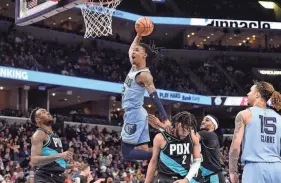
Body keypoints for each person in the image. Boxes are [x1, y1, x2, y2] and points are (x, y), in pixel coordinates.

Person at [121, 33, 170, 161]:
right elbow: (131, 48)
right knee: (143, 149)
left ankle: (163, 156)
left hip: (134, 115)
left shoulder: (144, 75)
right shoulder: (133, 67)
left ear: (144, 55)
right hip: (139, 113)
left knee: (127, 153)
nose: (133, 52)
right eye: (134, 51)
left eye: (137, 51)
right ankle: (166, 157)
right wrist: (138, 35)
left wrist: (165, 118)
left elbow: (154, 96)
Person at [229, 81, 281, 183]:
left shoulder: (245, 114)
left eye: (250, 91)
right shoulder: (279, 118)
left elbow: (235, 146)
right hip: (277, 168)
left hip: (255, 168)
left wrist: (232, 171)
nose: (248, 94)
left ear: (257, 94)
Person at [145, 111, 201, 183]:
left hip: (183, 178)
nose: (185, 132)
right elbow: (153, 161)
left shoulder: (193, 138)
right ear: (176, 124)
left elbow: (197, 161)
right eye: (183, 128)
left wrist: (187, 179)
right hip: (163, 178)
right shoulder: (160, 138)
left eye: (189, 129)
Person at [30, 107, 73, 183]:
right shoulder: (39, 134)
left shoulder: (54, 135)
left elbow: (54, 163)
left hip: (57, 178)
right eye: (43, 112)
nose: (47, 112)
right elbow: (34, 160)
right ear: (38, 119)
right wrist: (60, 155)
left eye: (47, 111)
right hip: (45, 177)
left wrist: (71, 166)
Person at [190, 115, 224, 183]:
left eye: (207, 120)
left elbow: (189, 137)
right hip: (206, 175)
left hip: (213, 177)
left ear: (213, 126)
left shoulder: (208, 134)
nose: (203, 121)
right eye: (203, 120)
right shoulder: (207, 137)